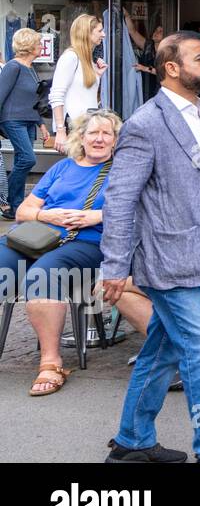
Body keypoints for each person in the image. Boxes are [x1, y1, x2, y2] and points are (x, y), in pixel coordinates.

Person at [100, 31, 200, 463]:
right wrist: (114, 265)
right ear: (171, 67)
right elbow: (121, 198)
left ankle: (131, 442)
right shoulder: (145, 124)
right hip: (167, 260)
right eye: (199, 59)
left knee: (161, 352)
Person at [0, 112, 146, 395]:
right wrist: (48, 215)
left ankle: (50, 362)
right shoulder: (61, 168)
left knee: (44, 274)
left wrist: (95, 216)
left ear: (117, 141)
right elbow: (22, 212)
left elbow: (140, 214)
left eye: (107, 134)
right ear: (81, 136)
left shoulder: (124, 171)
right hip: (39, 236)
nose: (99, 139)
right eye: (93, 133)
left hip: (89, 242)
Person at [0, 28, 50, 219]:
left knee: (24, 160)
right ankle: (9, 200)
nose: (40, 46)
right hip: (12, 120)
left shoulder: (30, 68)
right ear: (29, 46)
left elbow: (35, 100)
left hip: (29, 121)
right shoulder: (13, 67)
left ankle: (15, 206)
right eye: (38, 43)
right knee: (28, 159)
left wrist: (42, 124)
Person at [50, 14, 107, 153]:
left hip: (86, 125)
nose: (104, 35)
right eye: (99, 31)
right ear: (87, 32)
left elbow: (82, 94)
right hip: (75, 127)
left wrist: (97, 76)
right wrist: (60, 130)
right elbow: (56, 95)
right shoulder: (71, 57)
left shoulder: (87, 60)